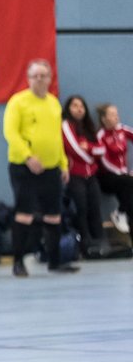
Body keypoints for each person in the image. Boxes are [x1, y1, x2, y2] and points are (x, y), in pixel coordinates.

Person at [2, 60, 78, 276]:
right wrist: (28, 157)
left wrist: (63, 164)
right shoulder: (18, 102)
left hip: (51, 168)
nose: (39, 79)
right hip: (23, 167)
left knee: (53, 216)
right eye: (35, 76)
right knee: (24, 214)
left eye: (43, 75)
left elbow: (57, 137)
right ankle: (18, 262)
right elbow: (11, 133)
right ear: (28, 78)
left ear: (50, 78)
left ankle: (54, 262)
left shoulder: (54, 103)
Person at [61, 94, 106, 256]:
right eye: (75, 106)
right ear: (68, 108)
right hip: (75, 175)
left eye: (81, 106)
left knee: (95, 207)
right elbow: (74, 149)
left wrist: (90, 148)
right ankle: (85, 244)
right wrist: (89, 153)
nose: (79, 109)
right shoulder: (66, 125)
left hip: (91, 175)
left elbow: (102, 150)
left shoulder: (89, 127)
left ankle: (100, 242)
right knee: (81, 208)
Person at [95, 102, 133, 234]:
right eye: (112, 114)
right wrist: (122, 173)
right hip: (106, 177)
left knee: (130, 199)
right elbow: (104, 160)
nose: (116, 117)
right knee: (128, 182)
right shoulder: (100, 135)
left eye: (116, 114)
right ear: (104, 118)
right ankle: (120, 212)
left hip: (123, 178)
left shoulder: (122, 129)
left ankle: (121, 214)